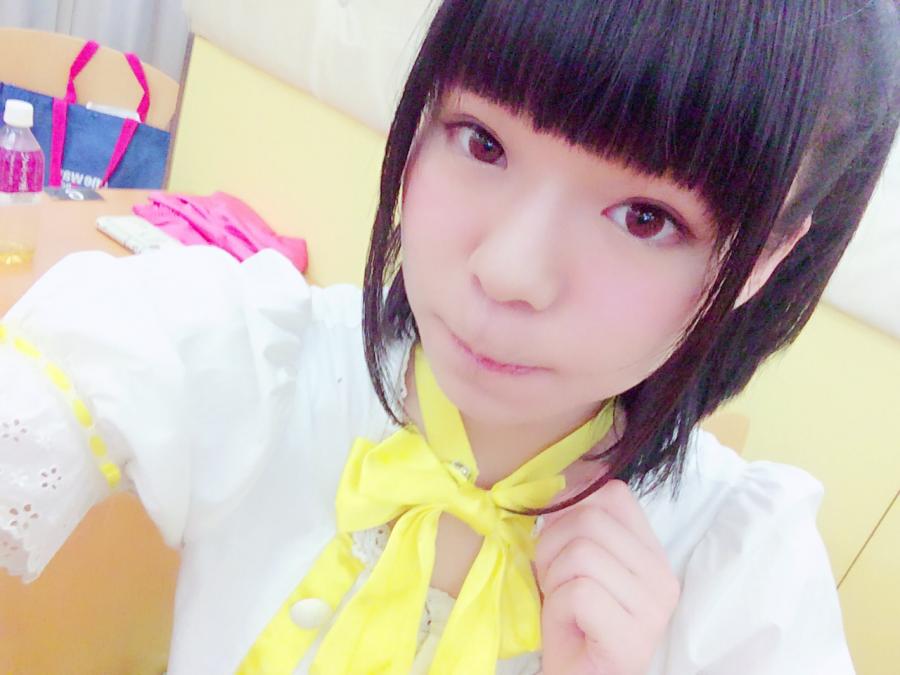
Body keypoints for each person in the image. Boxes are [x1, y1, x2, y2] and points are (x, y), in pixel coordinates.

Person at [2, 1, 898, 673]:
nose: (509, 271)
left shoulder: (744, 577)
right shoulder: (256, 358)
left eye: (645, 217)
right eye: (481, 141)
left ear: (763, 259)